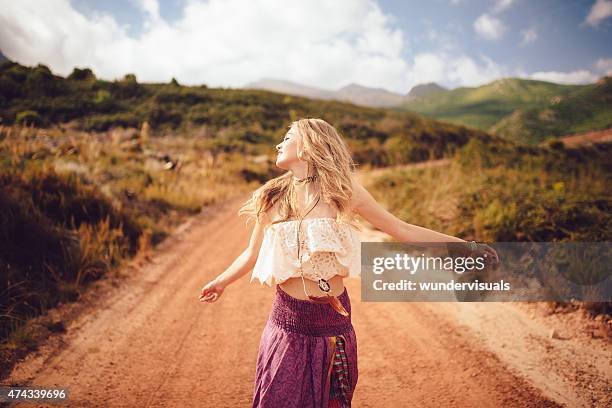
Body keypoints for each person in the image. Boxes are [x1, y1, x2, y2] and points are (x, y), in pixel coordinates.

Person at [198, 118, 500, 407]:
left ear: (309, 145)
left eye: (287, 138)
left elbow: (403, 230)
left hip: (333, 323)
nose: (279, 144)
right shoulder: (272, 196)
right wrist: (221, 281)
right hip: (288, 323)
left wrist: (467, 246)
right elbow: (251, 254)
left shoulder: (343, 192)